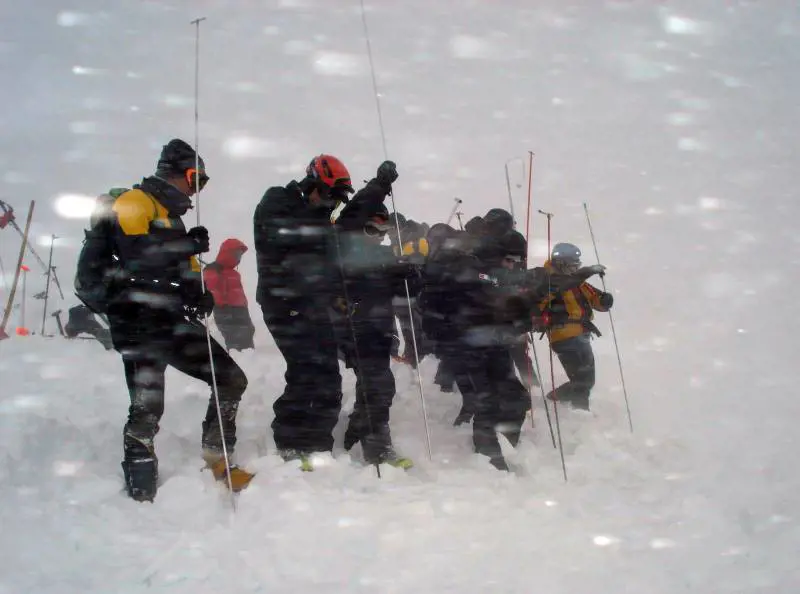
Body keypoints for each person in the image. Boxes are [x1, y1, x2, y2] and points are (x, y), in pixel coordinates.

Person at [107, 139, 251, 501]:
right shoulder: (134, 202)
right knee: (147, 406)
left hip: (171, 319)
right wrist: (187, 245)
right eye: (194, 178)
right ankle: (141, 483)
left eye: (202, 182)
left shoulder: (173, 218)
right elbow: (135, 257)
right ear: (172, 172)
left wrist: (198, 291)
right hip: (138, 320)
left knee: (230, 379)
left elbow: (182, 268)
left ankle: (217, 456)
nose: (196, 188)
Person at [254, 154, 353, 467]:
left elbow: (329, 263)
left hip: (314, 303)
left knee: (328, 374)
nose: (330, 204)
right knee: (305, 372)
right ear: (311, 184)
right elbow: (283, 238)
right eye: (328, 195)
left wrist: (339, 295)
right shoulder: (277, 200)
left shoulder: (320, 219)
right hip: (283, 303)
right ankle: (290, 443)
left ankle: (319, 445)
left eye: (336, 201)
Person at [333, 161, 414, 468]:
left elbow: (408, 288)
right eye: (371, 229)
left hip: (379, 331)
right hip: (353, 327)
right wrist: (379, 186)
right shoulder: (345, 245)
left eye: (383, 230)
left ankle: (356, 432)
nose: (377, 236)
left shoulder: (383, 255)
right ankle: (377, 448)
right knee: (379, 386)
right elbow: (354, 213)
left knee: (374, 386)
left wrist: (410, 275)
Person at [539, 242, 613, 411]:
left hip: (582, 334)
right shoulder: (549, 280)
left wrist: (604, 301)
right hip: (563, 334)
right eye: (573, 265)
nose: (576, 268)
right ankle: (580, 411)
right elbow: (542, 299)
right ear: (561, 263)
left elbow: (594, 299)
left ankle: (555, 398)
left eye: (577, 265)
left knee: (587, 380)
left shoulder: (578, 281)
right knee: (582, 380)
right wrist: (582, 274)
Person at [386, 212, 429, 366]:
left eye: (391, 229)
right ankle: (412, 354)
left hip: (417, 288)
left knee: (417, 323)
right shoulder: (395, 243)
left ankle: (421, 354)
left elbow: (423, 260)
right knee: (406, 323)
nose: (388, 233)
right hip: (401, 289)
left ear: (400, 226)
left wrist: (410, 262)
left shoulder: (417, 239)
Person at [204, 238, 255, 351]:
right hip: (226, 310)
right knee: (235, 342)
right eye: (236, 254)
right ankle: (237, 358)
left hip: (241, 311)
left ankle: (248, 359)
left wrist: (244, 307)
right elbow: (212, 291)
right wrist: (222, 307)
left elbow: (239, 293)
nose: (238, 257)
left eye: (240, 255)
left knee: (248, 338)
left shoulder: (235, 273)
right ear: (227, 253)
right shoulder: (213, 270)